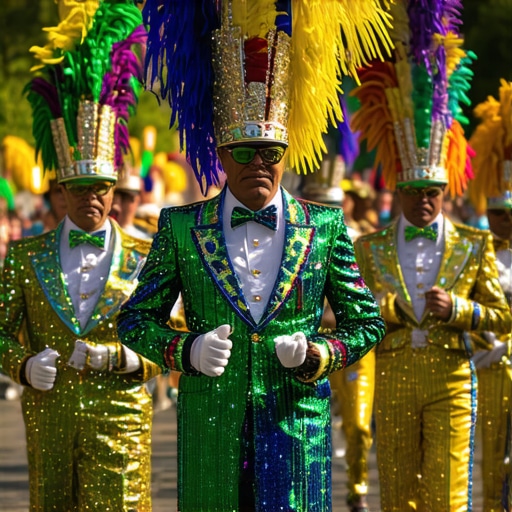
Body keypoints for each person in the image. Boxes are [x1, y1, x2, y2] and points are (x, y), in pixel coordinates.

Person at [117, 2, 394, 511]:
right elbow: (135, 322)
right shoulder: (181, 227)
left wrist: (319, 354)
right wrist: (187, 352)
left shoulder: (326, 227)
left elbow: (366, 323)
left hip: (296, 438)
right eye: (244, 152)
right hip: (210, 436)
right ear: (221, 154)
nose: (259, 164)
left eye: (270, 153)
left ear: (286, 152)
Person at [351, 2, 512, 510]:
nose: (424, 200)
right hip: (393, 382)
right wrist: (386, 310)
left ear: (445, 189)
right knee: (397, 497)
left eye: (433, 191)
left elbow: (504, 317)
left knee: (448, 495)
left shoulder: (474, 242)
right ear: (397, 190)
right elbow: (351, 319)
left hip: (453, 379)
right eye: (414, 190)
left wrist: (459, 311)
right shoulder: (369, 247)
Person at [0, 1, 160, 509]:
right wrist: (23, 366)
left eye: (101, 187)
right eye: (78, 187)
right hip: (48, 427)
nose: (91, 198)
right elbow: (0, 331)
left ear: (115, 191)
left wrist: (123, 357)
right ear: (61, 192)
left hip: (122, 429)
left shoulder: (147, 253)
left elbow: (171, 337)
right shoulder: (26, 257)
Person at [467, 79, 512, 512]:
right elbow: (469, 307)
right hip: (491, 368)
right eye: (497, 213)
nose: (504, 222)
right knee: (493, 461)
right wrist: (486, 346)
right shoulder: (478, 251)